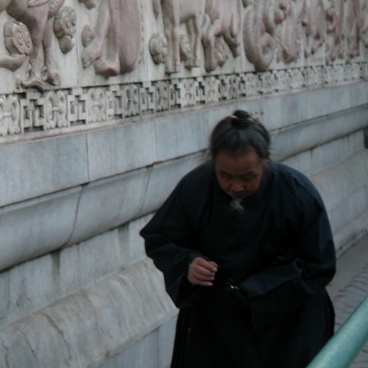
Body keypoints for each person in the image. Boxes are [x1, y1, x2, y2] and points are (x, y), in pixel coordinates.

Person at [140, 110, 336, 367]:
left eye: (247, 177)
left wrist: (256, 290)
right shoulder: (196, 187)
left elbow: (319, 265)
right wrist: (187, 263)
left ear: (265, 160)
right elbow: (160, 238)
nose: (236, 187)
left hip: (288, 326)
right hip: (216, 325)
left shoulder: (296, 192)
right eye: (226, 176)